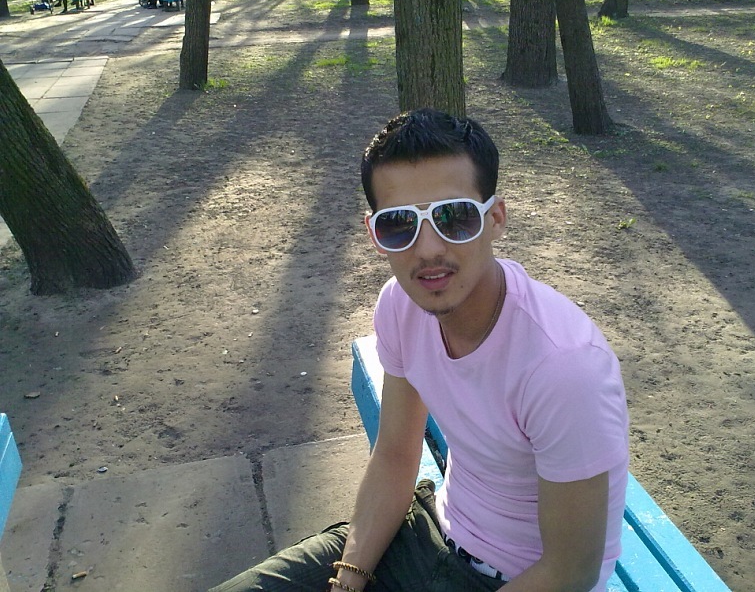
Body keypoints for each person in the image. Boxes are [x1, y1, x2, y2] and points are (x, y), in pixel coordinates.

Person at [209, 108, 630, 592]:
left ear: (495, 219)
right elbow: (394, 456)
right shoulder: (401, 306)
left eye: (454, 217)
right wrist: (348, 579)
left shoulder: (563, 368)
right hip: (426, 531)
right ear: (375, 234)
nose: (428, 249)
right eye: (398, 225)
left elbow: (569, 571)